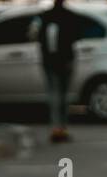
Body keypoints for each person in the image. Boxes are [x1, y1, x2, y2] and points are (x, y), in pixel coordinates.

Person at [37, 0, 83, 143]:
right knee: (61, 97)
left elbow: (40, 39)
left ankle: (57, 128)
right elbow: (76, 36)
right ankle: (60, 128)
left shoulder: (45, 16)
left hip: (52, 61)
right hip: (64, 61)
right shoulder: (69, 16)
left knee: (55, 96)